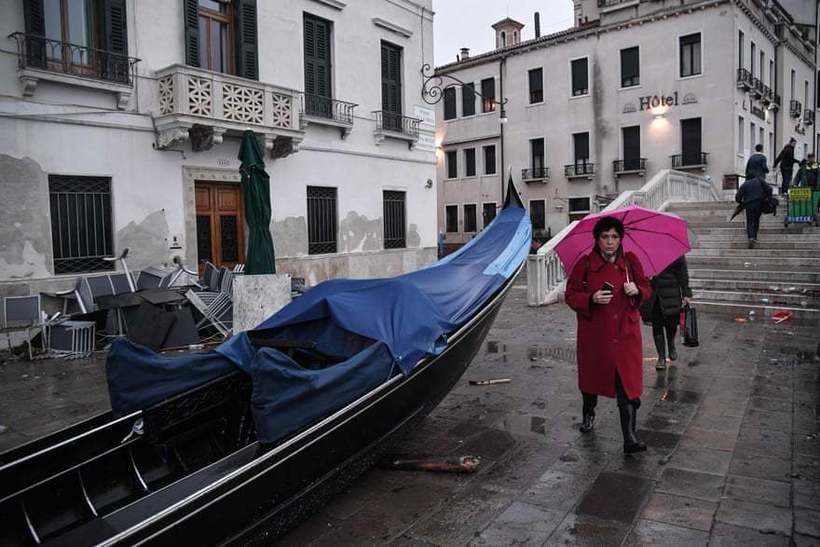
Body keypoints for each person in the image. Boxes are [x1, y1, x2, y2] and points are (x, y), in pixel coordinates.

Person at [565, 216, 652, 454]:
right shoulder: (585, 264)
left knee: (628, 385)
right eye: (605, 237)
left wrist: (637, 290)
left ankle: (630, 438)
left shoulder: (630, 262)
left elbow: (646, 287)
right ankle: (589, 411)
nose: (610, 242)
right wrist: (591, 299)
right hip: (596, 336)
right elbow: (570, 295)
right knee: (591, 380)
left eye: (614, 237)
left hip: (626, 335)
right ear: (597, 239)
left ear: (620, 239)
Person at [640, 257, 692, 370]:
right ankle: (661, 357)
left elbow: (682, 272)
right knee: (657, 326)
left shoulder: (675, 253)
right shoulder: (647, 251)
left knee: (671, 324)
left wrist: (686, 292)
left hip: (671, 293)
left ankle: (671, 344)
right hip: (654, 295)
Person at [735, 175, 773, 248]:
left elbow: (738, 197)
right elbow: (769, 189)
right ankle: (754, 237)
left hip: (749, 205)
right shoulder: (760, 180)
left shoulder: (745, 184)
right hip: (759, 203)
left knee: (749, 221)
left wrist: (741, 203)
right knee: (756, 220)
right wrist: (768, 199)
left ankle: (751, 237)